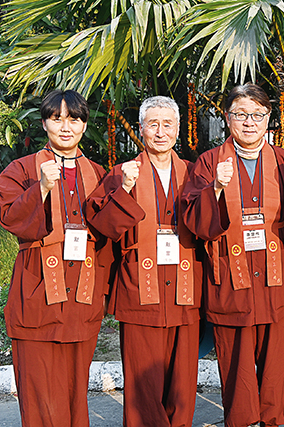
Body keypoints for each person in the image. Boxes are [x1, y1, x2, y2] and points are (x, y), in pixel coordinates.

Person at [181, 83, 284, 427]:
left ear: (269, 118)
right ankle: (241, 421)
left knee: (277, 361)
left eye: (258, 114)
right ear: (227, 118)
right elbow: (194, 221)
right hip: (229, 280)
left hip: (275, 277)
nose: (250, 122)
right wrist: (215, 188)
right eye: (240, 114)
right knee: (236, 363)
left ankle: (273, 420)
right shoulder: (208, 162)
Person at [0, 89, 109, 427]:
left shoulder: (98, 172)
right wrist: (41, 188)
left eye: (73, 119)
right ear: (44, 123)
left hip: (82, 295)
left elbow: (111, 230)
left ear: (84, 125)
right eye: (56, 119)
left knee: (75, 389)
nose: (65, 127)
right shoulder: (23, 169)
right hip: (37, 293)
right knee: (40, 388)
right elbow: (9, 215)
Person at [85, 96, 202, 427]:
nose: (160, 132)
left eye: (167, 124)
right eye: (153, 124)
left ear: (178, 129)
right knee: (142, 386)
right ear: (140, 129)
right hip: (139, 290)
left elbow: (211, 225)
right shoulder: (122, 173)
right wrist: (123, 189)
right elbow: (101, 227)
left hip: (185, 290)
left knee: (181, 384)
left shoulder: (194, 174)